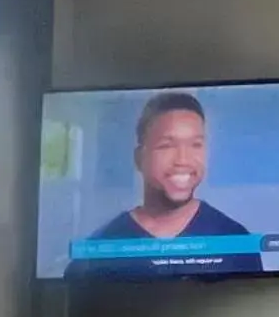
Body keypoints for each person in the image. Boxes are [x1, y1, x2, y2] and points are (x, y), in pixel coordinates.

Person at [92, 91, 248, 240]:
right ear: (139, 158)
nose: (183, 160)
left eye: (195, 145)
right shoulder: (99, 249)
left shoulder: (235, 237)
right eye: (167, 146)